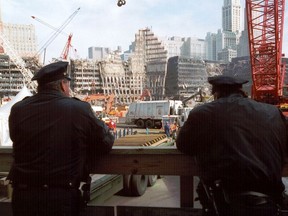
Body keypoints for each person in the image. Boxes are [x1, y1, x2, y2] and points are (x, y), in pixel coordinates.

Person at [8, 61, 115, 216]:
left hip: (23, 197)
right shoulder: (79, 109)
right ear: (63, 85)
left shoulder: (18, 109)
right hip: (60, 198)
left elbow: (15, 139)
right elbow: (105, 143)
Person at [176, 75, 288, 216]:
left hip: (225, 201)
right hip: (270, 200)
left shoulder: (202, 113)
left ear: (215, 93)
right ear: (241, 90)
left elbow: (183, 145)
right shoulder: (273, 112)